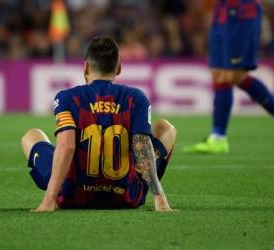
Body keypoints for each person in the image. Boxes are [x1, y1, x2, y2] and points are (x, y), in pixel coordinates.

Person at [21, 36, 177, 212]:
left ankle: (55, 193)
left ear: (86, 67)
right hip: (127, 196)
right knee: (166, 128)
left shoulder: (66, 98)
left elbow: (67, 146)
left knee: (32, 135)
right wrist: (159, 197)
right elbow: (141, 144)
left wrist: (49, 200)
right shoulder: (137, 98)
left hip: (73, 196)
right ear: (119, 68)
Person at [183, 0, 274, 154]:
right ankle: (218, 138)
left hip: (241, 11)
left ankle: (218, 137)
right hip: (221, 10)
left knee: (233, 75)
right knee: (219, 74)